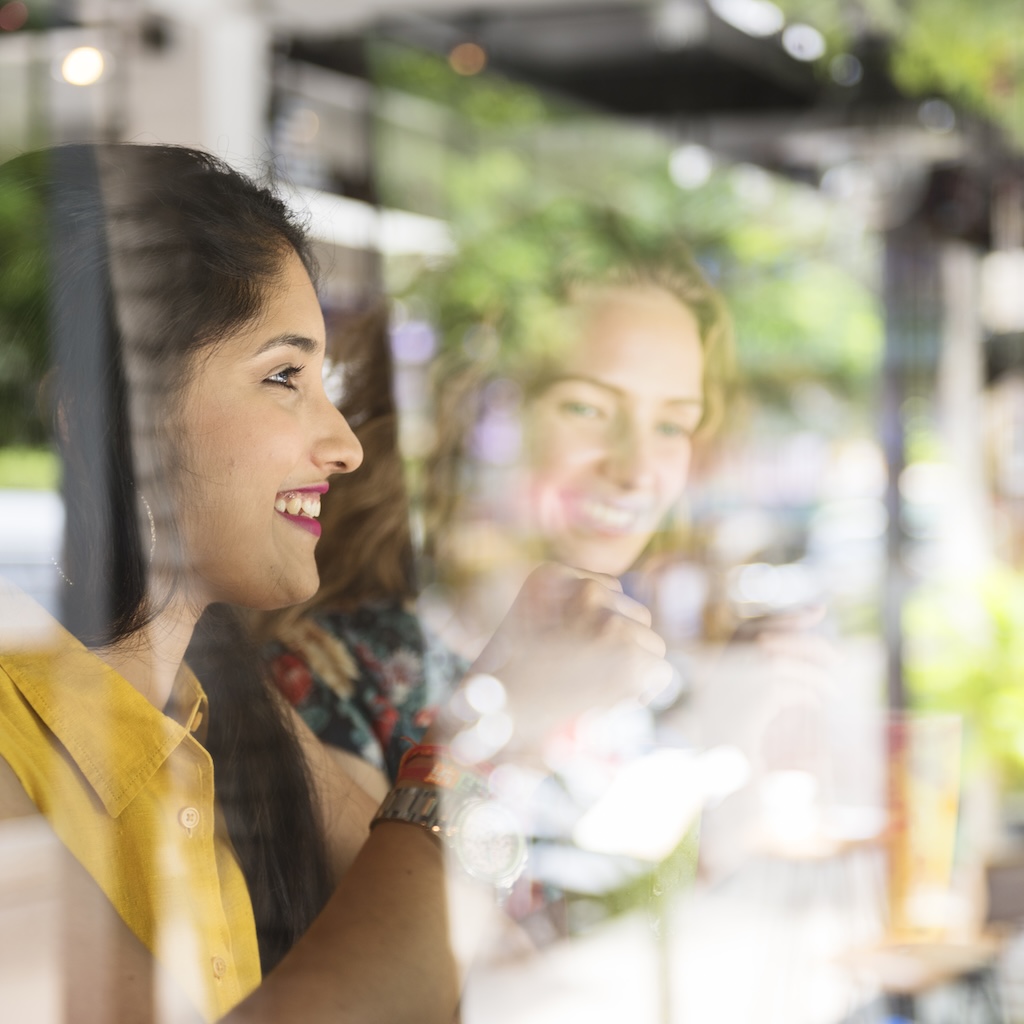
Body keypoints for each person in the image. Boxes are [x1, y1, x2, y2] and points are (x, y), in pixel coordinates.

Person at [0, 144, 668, 1023]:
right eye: (284, 377)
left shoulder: (221, 707)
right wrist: (495, 733)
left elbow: (463, 954)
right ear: (99, 417)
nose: (346, 446)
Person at [261, 201, 733, 799]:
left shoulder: (635, 654)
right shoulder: (329, 680)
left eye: (673, 425)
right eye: (585, 408)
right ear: (466, 414)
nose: (637, 469)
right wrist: (504, 719)